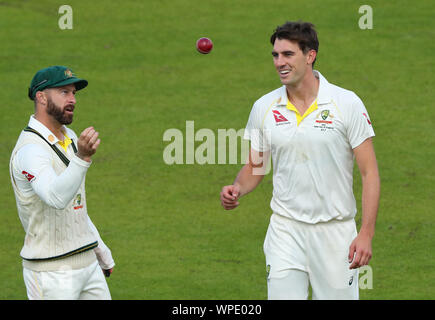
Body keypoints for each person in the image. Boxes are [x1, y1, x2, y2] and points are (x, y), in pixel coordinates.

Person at [220, 21, 380, 300]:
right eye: (275, 55)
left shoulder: (346, 103)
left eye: (287, 54)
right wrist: (237, 189)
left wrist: (365, 233)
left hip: (336, 234)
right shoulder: (264, 107)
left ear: (310, 55)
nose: (279, 62)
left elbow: (369, 173)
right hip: (286, 231)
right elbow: (255, 167)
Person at [9, 65, 115, 300]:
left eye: (74, 93)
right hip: (50, 273)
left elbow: (75, 205)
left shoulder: (71, 138)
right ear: (42, 97)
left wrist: (99, 249)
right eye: (64, 92)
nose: (73, 99)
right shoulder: (30, 150)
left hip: (88, 265)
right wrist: (83, 158)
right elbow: (56, 198)